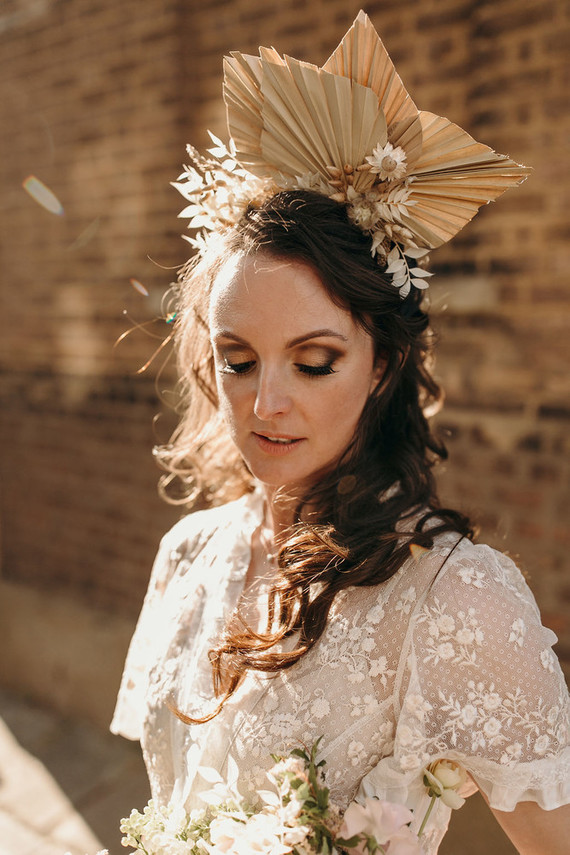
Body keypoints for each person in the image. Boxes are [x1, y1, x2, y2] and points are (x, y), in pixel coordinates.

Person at [111, 12, 569, 855]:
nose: (264, 403)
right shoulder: (186, 553)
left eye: (314, 361)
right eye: (238, 359)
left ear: (384, 364)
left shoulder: (457, 602)